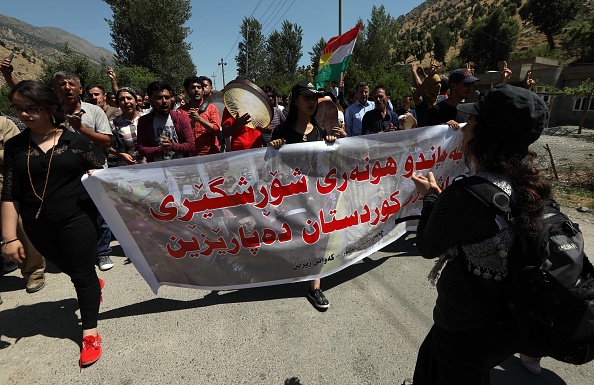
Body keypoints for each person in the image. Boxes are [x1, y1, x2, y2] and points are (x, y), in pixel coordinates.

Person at [409, 83, 551, 384]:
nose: (463, 129)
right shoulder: (532, 188)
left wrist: (431, 197)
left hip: (463, 326)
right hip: (506, 325)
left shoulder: (467, 196)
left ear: (484, 134)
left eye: (470, 122)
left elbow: (427, 245)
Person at [2, 80, 105, 367]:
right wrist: (10, 238)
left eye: (31, 108)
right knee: (72, 269)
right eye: (18, 109)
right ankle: (94, 286)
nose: (24, 115)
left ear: (49, 109)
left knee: (81, 274)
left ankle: (89, 334)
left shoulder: (77, 142)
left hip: (78, 218)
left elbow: (98, 176)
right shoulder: (14, 147)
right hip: (37, 225)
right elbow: (9, 194)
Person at [268, 80, 338, 310]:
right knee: (294, 237)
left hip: (316, 195)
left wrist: (331, 143)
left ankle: (315, 287)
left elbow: (328, 163)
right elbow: (271, 167)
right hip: (290, 196)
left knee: (316, 238)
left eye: (314, 97)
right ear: (296, 101)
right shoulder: (282, 132)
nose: (311, 101)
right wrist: (275, 147)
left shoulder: (320, 131)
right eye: (307, 97)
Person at [53, 71, 115, 272]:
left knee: (102, 214)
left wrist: (80, 129)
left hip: (95, 170)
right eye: (62, 84)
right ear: (56, 90)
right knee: (75, 216)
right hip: (65, 175)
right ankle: (81, 255)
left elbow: (106, 142)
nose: (67, 87)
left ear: (80, 90)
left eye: (72, 84)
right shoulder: (52, 113)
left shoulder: (95, 112)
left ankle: (103, 252)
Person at [0, 115, 47, 293]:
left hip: (6, 186)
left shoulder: (4, 123)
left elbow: (18, 152)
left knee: (21, 227)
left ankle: (34, 272)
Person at [136, 81, 195, 161]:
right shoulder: (144, 121)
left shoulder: (181, 118)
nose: (164, 101)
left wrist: (172, 146)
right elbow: (141, 150)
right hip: (157, 170)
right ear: (150, 101)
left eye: (167, 97)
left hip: (180, 168)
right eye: (159, 98)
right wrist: (161, 150)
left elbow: (191, 145)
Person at [177, 76, 221, 155]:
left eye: (199, 87)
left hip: (210, 155)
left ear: (203, 90)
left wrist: (199, 119)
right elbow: (179, 135)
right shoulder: (180, 111)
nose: (196, 90)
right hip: (190, 156)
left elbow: (216, 130)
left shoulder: (211, 108)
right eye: (193, 88)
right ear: (187, 91)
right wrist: (192, 123)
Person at [108, 87, 146, 165]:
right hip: (126, 166)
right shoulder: (114, 123)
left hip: (149, 165)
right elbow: (109, 145)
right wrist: (120, 154)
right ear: (118, 104)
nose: (126, 102)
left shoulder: (146, 118)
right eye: (122, 99)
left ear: (136, 101)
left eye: (129, 98)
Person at [411, 63, 442, 128]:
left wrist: (423, 74)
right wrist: (415, 72)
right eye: (436, 84)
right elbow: (420, 88)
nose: (439, 85)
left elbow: (422, 86)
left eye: (439, 83)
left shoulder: (442, 98)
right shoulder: (422, 101)